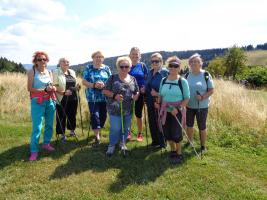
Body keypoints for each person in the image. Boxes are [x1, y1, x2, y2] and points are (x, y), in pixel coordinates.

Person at [155, 56, 190, 164]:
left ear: (179, 68)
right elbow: (160, 94)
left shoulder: (182, 81)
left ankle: (179, 153)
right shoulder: (163, 80)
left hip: (177, 110)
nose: (173, 68)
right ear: (168, 66)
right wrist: (158, 102)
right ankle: (173, 150)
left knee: (176, 132)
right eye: (171, 65)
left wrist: (178, 108)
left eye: (176, 66)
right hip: (165, 109)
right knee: (166, 132)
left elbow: (187, 98)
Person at [103, 56, 139, 156]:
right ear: (118, 67)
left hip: (128, 109)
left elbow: (136, 90)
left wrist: (136, 95)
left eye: (126, 66)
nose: (124, 68)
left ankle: (122, 143)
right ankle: (112, 144)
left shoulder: (133, 79)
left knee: (126, 127)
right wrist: (115, 96)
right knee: (116, 127)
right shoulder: (112, 78)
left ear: (130, 67)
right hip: (114, 108)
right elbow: (105, 91)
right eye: (121, 66)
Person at [27, 51, 56, 161]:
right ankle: (34, 150)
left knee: (49, 124)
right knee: (37, 127)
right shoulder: (32, 72)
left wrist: (53, 88)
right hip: (37, 102)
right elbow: (29, 88)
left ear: (47, 61)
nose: (42, 61)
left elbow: (51, 85)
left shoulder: (49, 72)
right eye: (39, 59)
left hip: (50, 101)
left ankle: (46, 144)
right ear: (36, 61)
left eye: (44, 59)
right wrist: (44, 90)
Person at [185, 53, 214, 153]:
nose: (194, 63)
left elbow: (211, 90)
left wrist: (202, 97)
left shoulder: (206, 74)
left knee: (202, 126)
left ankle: (203, 146)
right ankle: (190, 142)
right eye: (192, 62)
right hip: (189, 105)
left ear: (200, 63)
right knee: (189, 125)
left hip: (202, 106)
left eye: (196, 61)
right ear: (189, 64)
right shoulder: (187, 75)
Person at [82, 51, 112, 146]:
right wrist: (94, 85)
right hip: (92, 97)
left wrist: (104, 85)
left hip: (104, 96)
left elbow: (110, 80)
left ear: (103, 58)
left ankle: (98, 129)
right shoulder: (89, 68)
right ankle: (97, 137)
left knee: (103, 116)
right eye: (96, 57)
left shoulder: (106, 68)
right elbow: (84, 81)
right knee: (95, 115)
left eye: (100, 57)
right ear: (93, 58)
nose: (98, 58)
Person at [145, 53, 168, 148]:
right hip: (150, 102)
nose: (154, 63)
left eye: (157, 61)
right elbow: (148, 86)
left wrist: (158, 94)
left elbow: (168, 89)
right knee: (152, 122)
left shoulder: (165, 73)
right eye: (152, 61)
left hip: (160, 103)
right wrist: (144, 89)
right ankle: (155, 141)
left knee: (160, 123)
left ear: (161, 62)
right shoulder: (150, 73)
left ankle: (162, 142)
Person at [53, 58, 79, 141]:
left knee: (72, 115)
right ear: (59, 63)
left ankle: (72, 130)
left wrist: (77, 88)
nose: (66, 63)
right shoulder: (56, 72)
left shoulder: (72, 72)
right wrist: (63, 93)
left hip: (73, 98)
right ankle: (62, 134)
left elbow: (74, 83)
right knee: (61, 116)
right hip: (62, 98)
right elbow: (55, 86)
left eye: (67, 62)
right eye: (63, 61)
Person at [128, 47, 148, 142]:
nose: (135, 56)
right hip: (128, 93)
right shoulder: (126, 65)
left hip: (140, 93)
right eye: (133, 54)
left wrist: (144, 88)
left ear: (139, 56)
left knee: (138, 114)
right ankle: (128, 132)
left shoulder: (143, 66)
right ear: (130, 55)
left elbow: (147, 78)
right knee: (128, 113)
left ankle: (140, 133)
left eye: (136, 54)